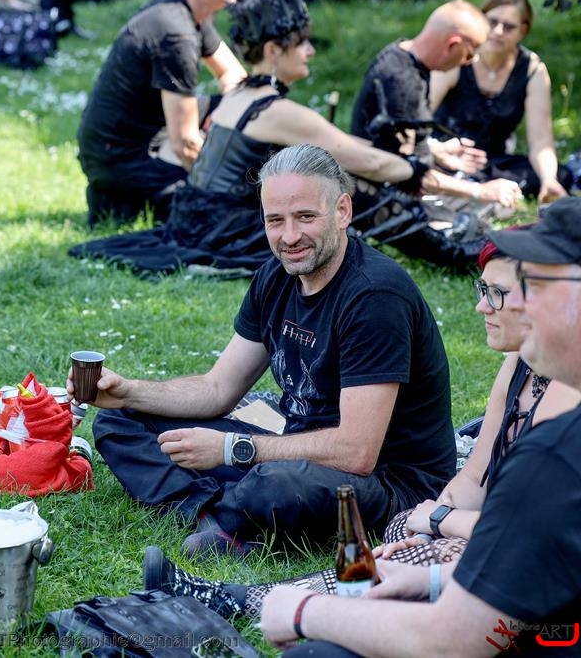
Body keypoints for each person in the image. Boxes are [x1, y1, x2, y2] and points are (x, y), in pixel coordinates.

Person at [141, 235, 580, 619]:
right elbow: (473, 478)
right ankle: (227, 523)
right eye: (483, 289)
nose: (482, 305)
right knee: (405, 531)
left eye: (498, 293)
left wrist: (442, 520)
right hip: (476, 522)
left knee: (441, 551)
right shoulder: (519, 363)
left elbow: (534, 533)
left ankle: (242, 599)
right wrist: (430, 520)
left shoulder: (376, 293)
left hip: (534, 552)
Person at [70, 144, 455, 559]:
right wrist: (128, 392)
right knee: (120, 419)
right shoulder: (276, 276)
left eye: (305, 217)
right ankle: (213, 516)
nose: (289, 237)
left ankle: (232, 512)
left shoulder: (375, 295)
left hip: (387, 482)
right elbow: (218, 389)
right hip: (295, 449)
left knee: (276, 484)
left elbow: (357, 452)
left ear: (342, 211)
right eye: (276, 220)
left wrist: (232, 449)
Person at [259, 197, 581, 657]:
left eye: (534, 288)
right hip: (503, 579)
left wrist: (301, 612)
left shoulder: (558, 448)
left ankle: (255, 598)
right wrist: (429, 576)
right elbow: (540, 554)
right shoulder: (540, 411)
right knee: (400, 541)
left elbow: (452, 641)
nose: (514, 306)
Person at [69, 0, 494, 276]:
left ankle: (447, 238)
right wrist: (457, 185)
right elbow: (369, 161)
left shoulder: (240, 95)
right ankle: (453, 252)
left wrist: (430, 158)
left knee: (340, 185)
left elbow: (345, 146)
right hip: (228, 230)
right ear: (273, 51)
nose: (310, 51)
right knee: (355, 190)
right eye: (301, 43)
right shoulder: (275, 110)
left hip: (195, 217)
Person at [75, 0, 248, 226]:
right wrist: (234, 187)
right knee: (222, 212)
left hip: (146, 132)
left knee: (248, 110)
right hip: (119, 157)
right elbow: (186, 144)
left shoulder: (184, 10)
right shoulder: (175, 33)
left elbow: (234, 75)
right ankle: (119, 197)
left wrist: (228, 110)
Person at [350, 0, 523, 209]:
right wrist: (481, 190)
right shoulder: (402, 81)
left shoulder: (402, 55)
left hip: (397, 177)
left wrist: (437, 151)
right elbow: (407, 173)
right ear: (452, 45)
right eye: (470, 53)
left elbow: (396, 143)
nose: (469, 62)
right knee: (487, 210)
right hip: (382, 194)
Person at [431, 0, 571, 204]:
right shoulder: (460, 55)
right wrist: (438, 152)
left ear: (523, 30)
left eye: (509, 27)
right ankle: (465, 186)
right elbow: (420, 115)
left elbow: (541, 140)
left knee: (560, 175)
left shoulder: (532, 70)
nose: (497, 31)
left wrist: (548, 179)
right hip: (446, 156)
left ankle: (479, 186)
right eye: (492, 22)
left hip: (494, 161)